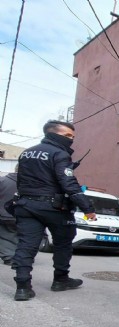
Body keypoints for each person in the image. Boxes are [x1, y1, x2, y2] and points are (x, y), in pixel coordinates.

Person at [12, 120, 97, 301]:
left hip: (26, 205)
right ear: (52, 133)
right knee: (63, 242)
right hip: (54, 207)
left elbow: (21, 180)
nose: (71, 140)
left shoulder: (27, 152)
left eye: (73, 137)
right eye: (67, 136)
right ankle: (60, 280)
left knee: (26, 245)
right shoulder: (60, 154)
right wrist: (87, 208)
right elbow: (69, 184)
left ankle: (22, 286)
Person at [0, 166, 18, 265]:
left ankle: (9, 257)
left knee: (4, 236)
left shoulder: (2, 181)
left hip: (4, 214)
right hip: (24, 214)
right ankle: (21, 257)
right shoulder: (32, 183)